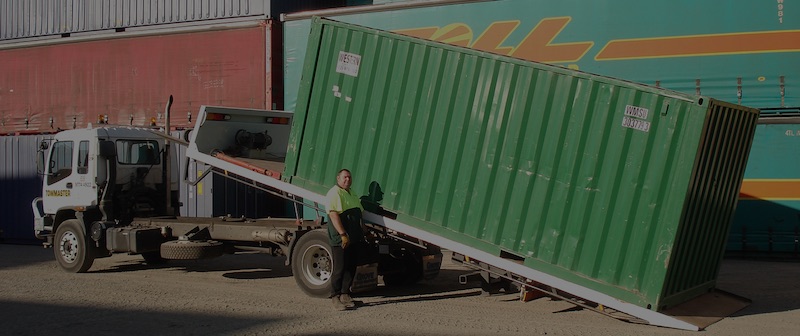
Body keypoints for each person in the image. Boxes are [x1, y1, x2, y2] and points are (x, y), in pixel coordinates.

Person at [326, 168, 367, 311]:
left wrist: (365, 231)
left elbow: (359, 213)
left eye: (349, 177)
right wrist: (343, 234)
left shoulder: (352, 193)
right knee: (340, 268)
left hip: (354, 238)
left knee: (351, 266)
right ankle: (335, 297)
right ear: (338, 178)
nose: (347, 180)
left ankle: (345, 294)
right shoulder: (335, 193)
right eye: (344, 177)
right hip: (341, 239)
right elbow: (333, 215)